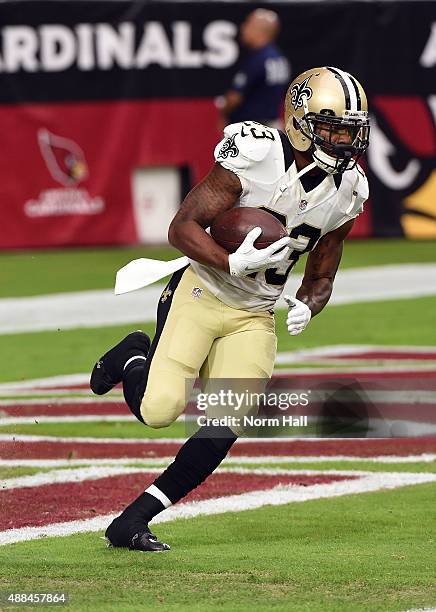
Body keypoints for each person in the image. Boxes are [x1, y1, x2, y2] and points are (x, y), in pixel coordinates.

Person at [90, 66, 370, 552]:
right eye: (333, 128)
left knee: (225, 422)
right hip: (201, 290)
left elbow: (322, 273)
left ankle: (132, 520)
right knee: (159, 411)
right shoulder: (258, 153)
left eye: (351, 130)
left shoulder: (349, 190)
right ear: (301, 119)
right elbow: (182, 228)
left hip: (255, 314)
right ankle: (133, 356)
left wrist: (308, 304)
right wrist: (229, 260)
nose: (344, 141)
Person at [216, 8, 290, 129]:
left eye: (248, 24)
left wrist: (223, 112)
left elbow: (235, 98)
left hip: (251, 130)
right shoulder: (279, 58)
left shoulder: (258, 59)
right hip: (272, 126)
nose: (243, 28)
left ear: (259, 30)